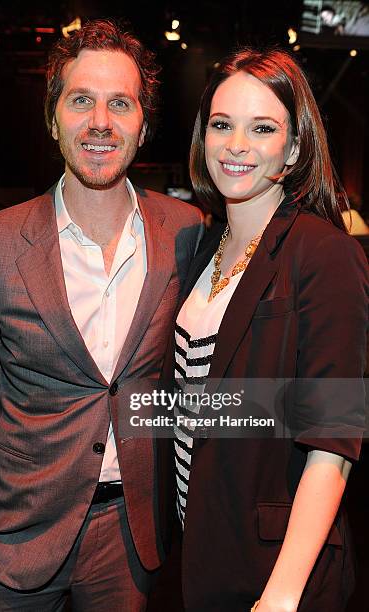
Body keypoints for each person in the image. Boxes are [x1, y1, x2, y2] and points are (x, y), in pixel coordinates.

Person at [0, 19, 203, 611]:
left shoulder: (183, 233)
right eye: (81, 100)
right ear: (52, 116)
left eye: (120, 103)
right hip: (12, 537)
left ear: (143, 123)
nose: (101, 122)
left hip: (130, 538)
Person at [164, 47, 368, 611]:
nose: (236, 146)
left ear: (295, 145)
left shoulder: (324, 253)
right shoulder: (205, 247)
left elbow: (334, 441)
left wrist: (281, 595)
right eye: (222, 125)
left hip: (275, 575)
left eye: (263, 128)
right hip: (202, 555)